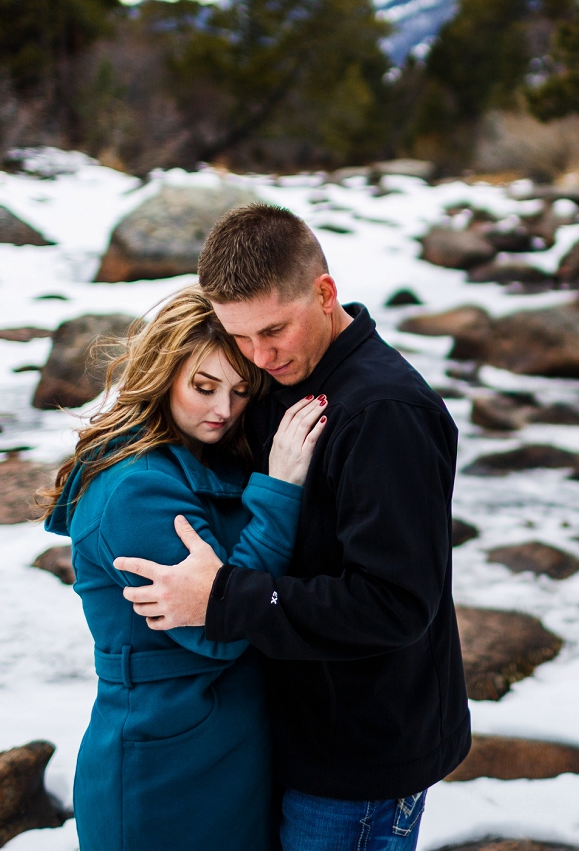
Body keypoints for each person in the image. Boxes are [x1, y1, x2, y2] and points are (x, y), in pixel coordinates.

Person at [114, 204, 470, 851]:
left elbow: (395, 604)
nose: (258, 356)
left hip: (357, 760)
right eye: (240, 337)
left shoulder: (385, 415)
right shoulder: (278, 377)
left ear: (325, 293)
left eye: (273, 330)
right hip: (287, 733)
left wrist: (222, 599)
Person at [42, 285, 328, 851]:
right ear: (161, 371)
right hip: (168, 768)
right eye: (204, 386)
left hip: (223, 745)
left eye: (241, 391)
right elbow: (216, 629)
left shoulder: (196, 458)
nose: (223, 410)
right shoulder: (135, 489)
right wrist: (280, 491)